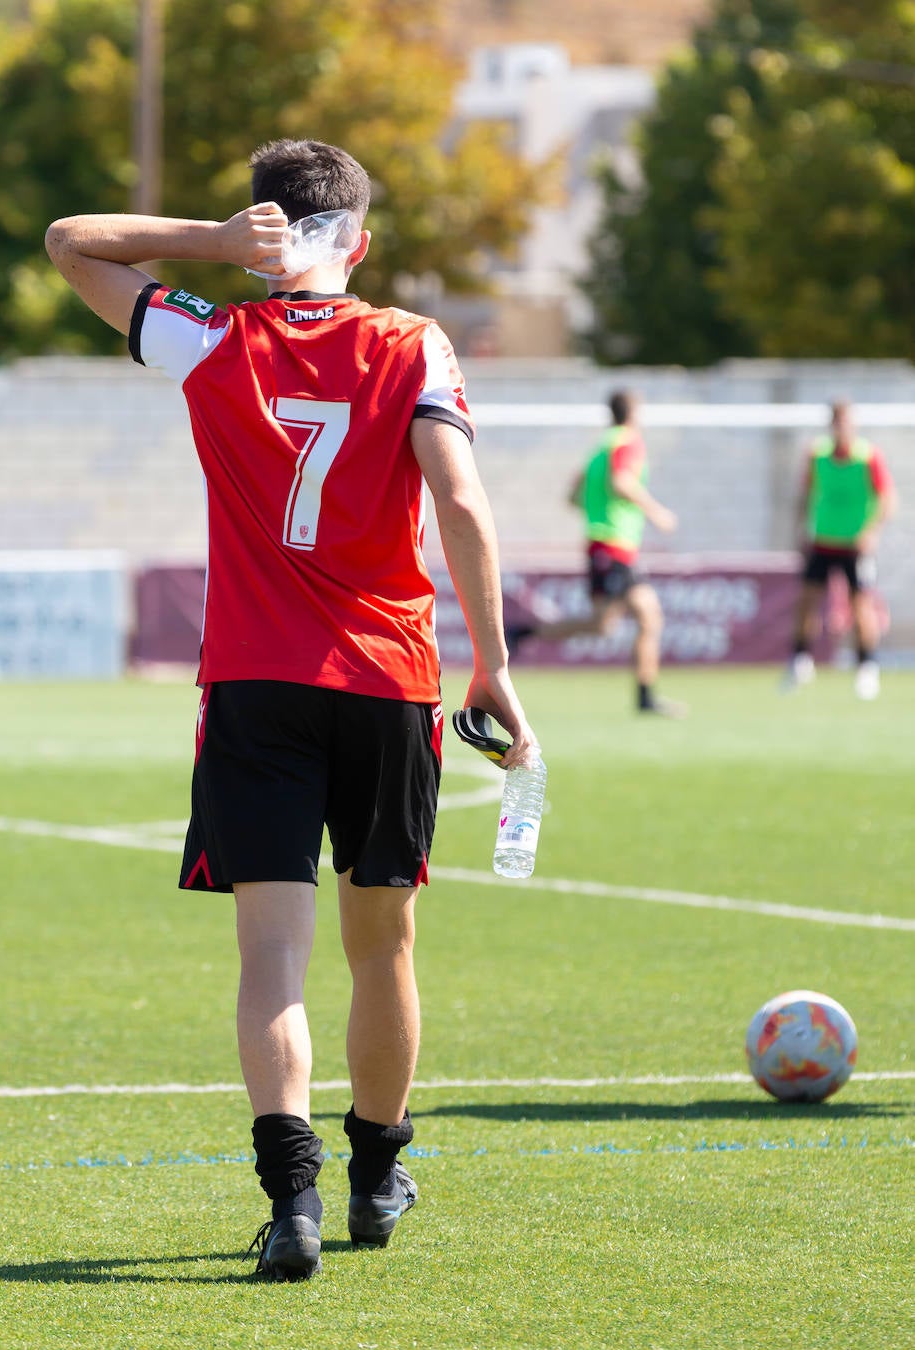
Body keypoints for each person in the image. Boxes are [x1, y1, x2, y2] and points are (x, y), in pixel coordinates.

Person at [45, 137, 535, 1281]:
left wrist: (211, 245)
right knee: (385, 947)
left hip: (257, 683)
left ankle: (295, 1204)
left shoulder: (215, 337)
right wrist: (494, 661)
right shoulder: (411, 343)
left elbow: (72, 243)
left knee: (272, 954)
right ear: (357, 243)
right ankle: (376, 1174)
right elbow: (459, 499)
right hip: (387, 680)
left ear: (270, 244)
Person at [507, 389, 684, 716]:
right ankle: (646, 698)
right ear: (633, 413)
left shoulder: (599, 448)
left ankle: (520, 632)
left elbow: (573, 495)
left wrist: (597, 512)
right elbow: (621, 482)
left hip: (602, 543)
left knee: (602, 625)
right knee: (649, 617)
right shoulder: (628, 442)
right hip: (616, 545)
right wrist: (657, 513)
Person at [783, 399, 896, 700]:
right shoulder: (817, 454)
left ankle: (866, 668)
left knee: (860, 605)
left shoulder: (867, 456)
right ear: (832, 425)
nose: (843, 428)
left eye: (847, 423)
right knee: (807, 601)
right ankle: (799, 661)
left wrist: (871, 533)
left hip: (854, 544)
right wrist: (800, 531)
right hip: (822, 540)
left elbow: (887, 499)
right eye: (838, 423)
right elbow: (806, 494)